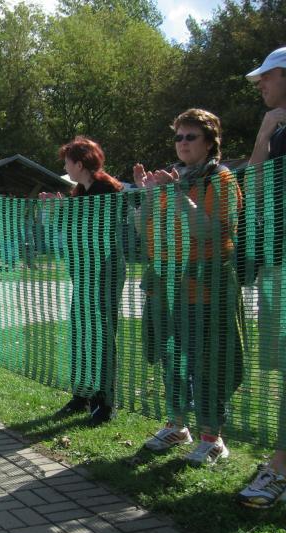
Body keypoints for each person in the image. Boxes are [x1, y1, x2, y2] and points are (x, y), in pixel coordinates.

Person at [133, 108, 244, 466]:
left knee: (207, 366)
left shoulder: (221, 179)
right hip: (167, 291)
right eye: (178, 136)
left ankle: (213, 439)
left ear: (210, 143)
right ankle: (177, 426)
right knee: (173, 363)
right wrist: (147, 195)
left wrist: (177, 193)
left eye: (190, 136)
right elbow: (142, 230)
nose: (182, 143)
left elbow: (208, 231)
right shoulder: (172, 178)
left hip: (205, 292)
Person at [40, 137, 125, 425]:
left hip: (105, 272)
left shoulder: (108, 190)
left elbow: (98, 229)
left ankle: (105, 402)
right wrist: (59, 209)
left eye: (67, 162)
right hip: (84, 273)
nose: (64, 167)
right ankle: (82, 395)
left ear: (79, 164)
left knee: (101, 335)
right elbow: (71, 229)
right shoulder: (78, 192)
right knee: (81, 331)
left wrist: (66, 210)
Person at [237, 47, 286, 508]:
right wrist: (264, 136)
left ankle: (280, 469)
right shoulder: (276, 131)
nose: (260, 86)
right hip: (277, 266)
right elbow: (252, 192)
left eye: (267, 78)